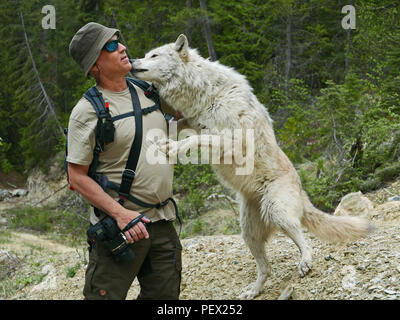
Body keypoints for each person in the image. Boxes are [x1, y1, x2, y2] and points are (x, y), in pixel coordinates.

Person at [67, 22, 181, 300]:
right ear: (95, 65)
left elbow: (180, 124)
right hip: (121, 229)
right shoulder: (87, 111)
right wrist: (120, 215)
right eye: (110, 46)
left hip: (163, 222)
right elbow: (76, 177)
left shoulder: (148, 91)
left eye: (118, 41)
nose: (122, 47)